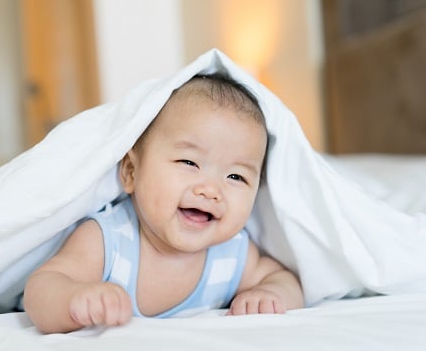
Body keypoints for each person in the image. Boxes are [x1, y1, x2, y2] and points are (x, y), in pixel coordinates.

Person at [23, 73, 304, 333]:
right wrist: (73, 299)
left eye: (236, 176)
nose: (210, 190)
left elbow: (285, 280)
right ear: (132, 172)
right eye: (189, 162)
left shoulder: (232, 254)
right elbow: (41, 287)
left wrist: (270, 295)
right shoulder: (109, 240)